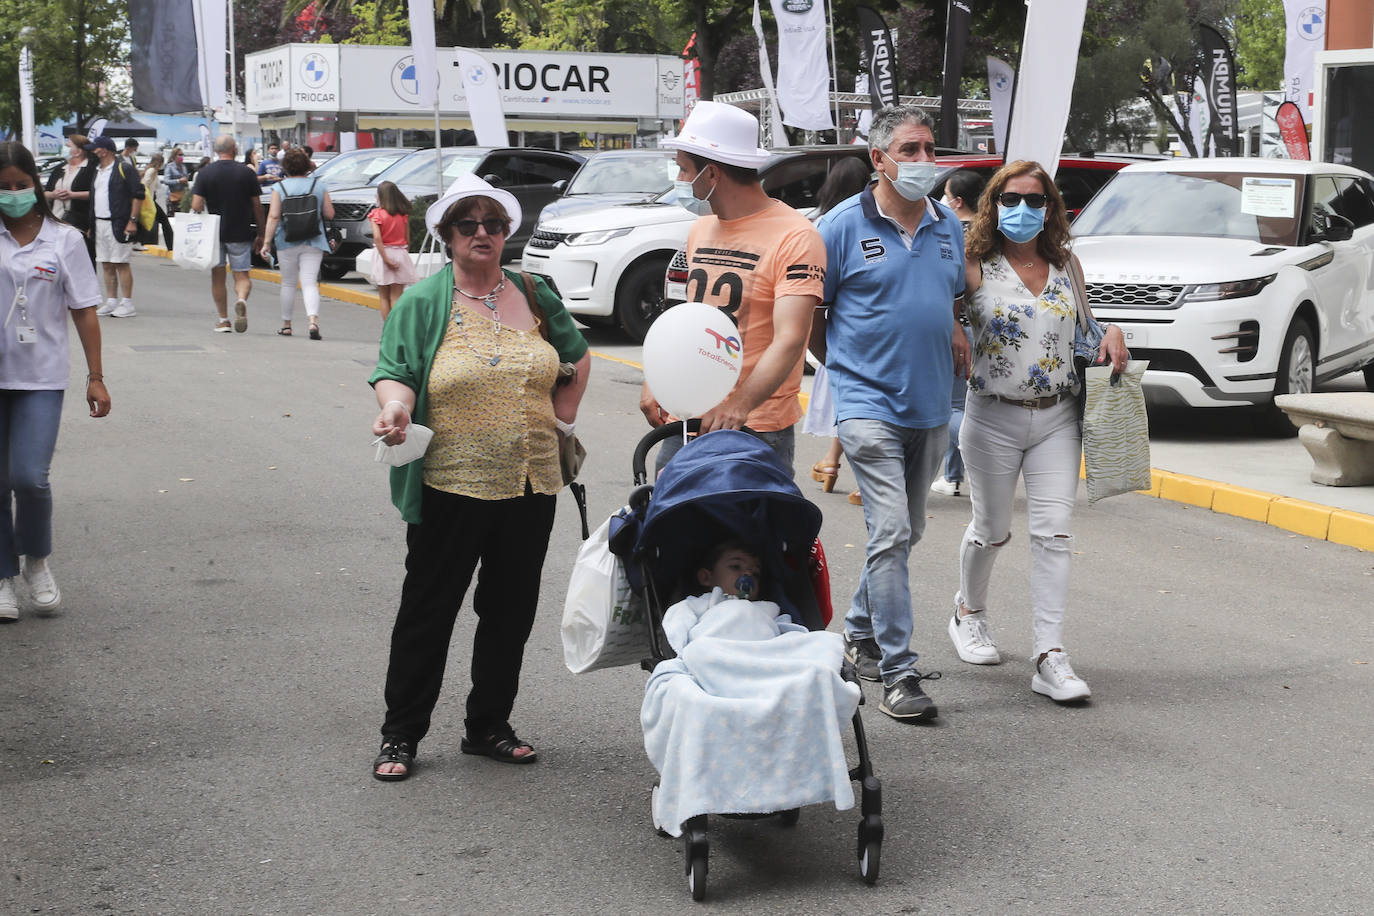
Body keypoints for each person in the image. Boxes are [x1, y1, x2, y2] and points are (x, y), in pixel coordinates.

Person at [367, 174, 591, 781]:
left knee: (510, 610)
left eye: (494, 223)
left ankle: (488, 723)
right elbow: (395, 371)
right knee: (429, 608)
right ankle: (401, 733)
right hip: (452, 483)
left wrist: (562, 423)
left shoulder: (534, 291)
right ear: (445, 235)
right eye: (469, 224)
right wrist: (396, 408)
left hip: (531, 481)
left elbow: (576, 357)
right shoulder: (423, 301)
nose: (483, 233)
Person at [811, 104, 971, 722]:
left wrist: (954, 327)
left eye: (930, 149)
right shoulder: (841, 227)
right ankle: (898, 674)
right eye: (910, 150)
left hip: (930, 401)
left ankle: (857, 629)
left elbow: (948, 295)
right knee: (893, 530)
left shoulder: (946, 225)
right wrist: (847, 372)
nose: (925, 161)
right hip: (866, 404)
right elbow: (813, 315)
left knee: (904, 533)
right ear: (878, 159)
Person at [953, 159, 1127, 703]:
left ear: (1051, 208)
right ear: (993, 205)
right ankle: (968, 612)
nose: (1023, 210)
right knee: (992, 528)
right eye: (1011, 200)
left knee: (1054, 534)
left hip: (1058, 415)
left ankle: (1049, 655)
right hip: (992, 415)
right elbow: (939, 315)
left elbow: (1087, 326)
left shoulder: (1066, 265)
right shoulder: (972, 261)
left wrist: (1115, 331)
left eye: (1035, 201)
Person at [639, 101, 825, 474]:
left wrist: (739, 404)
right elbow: (688, 321)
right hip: (689, 418)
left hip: (755, 426)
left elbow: (791, 338)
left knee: (746, 532)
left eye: (683, 169)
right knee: (666, 527)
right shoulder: (700, 230)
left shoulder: (796, 235)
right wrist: (656, 380)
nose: (678, 179)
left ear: (711, 174)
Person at [0, 142, 111, 621]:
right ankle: (2, 577)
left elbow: (84, 311)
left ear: (36, 186)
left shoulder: (64, 239)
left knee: (29, 477)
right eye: (3, 187)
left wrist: (97, 377)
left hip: (41, 377)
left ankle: (37, 562)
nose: (13, 194)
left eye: (21, 185)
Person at [801, 157, 872, 506]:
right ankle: (857, 475)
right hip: (863, 332)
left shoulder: (820, 225)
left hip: (833, 332)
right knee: (864, 410)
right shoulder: (867, 225)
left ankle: (831, 462)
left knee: (850, 405)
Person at [931, 169, 987, 498]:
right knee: (965, 405)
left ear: (957, 201)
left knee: (954, 409)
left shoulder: (949, 233)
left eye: (946, 194)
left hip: (958, 326)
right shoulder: (990, 232)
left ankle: (978, 453)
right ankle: (952, 476)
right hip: (987, 327)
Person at [190, 136, 264, 333]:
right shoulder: (246, 173)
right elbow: (257, 206)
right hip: (240, 231)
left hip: (214, 233)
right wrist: (262, 234)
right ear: (234, 149)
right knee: (242, 275)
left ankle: (223, 320)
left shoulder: (205, 173)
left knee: (218, 277)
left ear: (216, 151)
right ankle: (241, 299)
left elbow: (196, 205)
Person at [258, 148, 334, 339]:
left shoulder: (279, 188)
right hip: (314, 240)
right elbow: (329, 214)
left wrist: (266, 242)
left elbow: (274, 216)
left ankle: (286, 325)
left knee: (289, 283)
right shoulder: (319, 186)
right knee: (310, 283)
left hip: (286, 240)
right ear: (307, 165)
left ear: (286, 167)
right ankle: (313, 322)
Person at [85, 136, 143, 320]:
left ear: (104, 150)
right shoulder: (98, 171)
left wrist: (132, 220)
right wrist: (91, 225)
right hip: (99, 222)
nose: (92, 152)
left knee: (121, 262)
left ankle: (127, 302)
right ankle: (111, 300)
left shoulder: (123, 168)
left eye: (95, 149)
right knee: (106, 263)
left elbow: (138, 195)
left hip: (119, 222)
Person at [367, 180, 417, 320]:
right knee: (397, 296)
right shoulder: (403, 215)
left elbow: (377, 238)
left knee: (383, 297)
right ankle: (397, 329)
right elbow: (407, 239)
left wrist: (386, 259)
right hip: (400, 252)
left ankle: (388, 331)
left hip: (383, 253)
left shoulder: (376, 214)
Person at [44, 134, 97, 266]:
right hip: (55, 220)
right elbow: (45, 192)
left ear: (78, 151)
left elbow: (96, 193)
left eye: (68, 146)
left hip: (80, 223)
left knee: (81, 263)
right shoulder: (59, 169)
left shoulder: (91, 169)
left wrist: (73, 195)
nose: (64, 148)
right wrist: (53, 195)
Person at [141, 154, 174, 251]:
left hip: (150, 201)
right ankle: (170, 246)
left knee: (149, 222)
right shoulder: (151, 171)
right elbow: (145, 184)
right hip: (149, 201)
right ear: (159, 162)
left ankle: (139, 242)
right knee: (164, 221)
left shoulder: (152, 171)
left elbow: (158, 186)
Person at [161, 148, 188, 214]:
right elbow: (166, 181)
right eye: (180, 155)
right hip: (173, 197)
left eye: (182, 155)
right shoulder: (170, 166)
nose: (181, 157)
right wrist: (178, 181)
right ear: (174, 156)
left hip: (183, 197)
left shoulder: (184, 167)